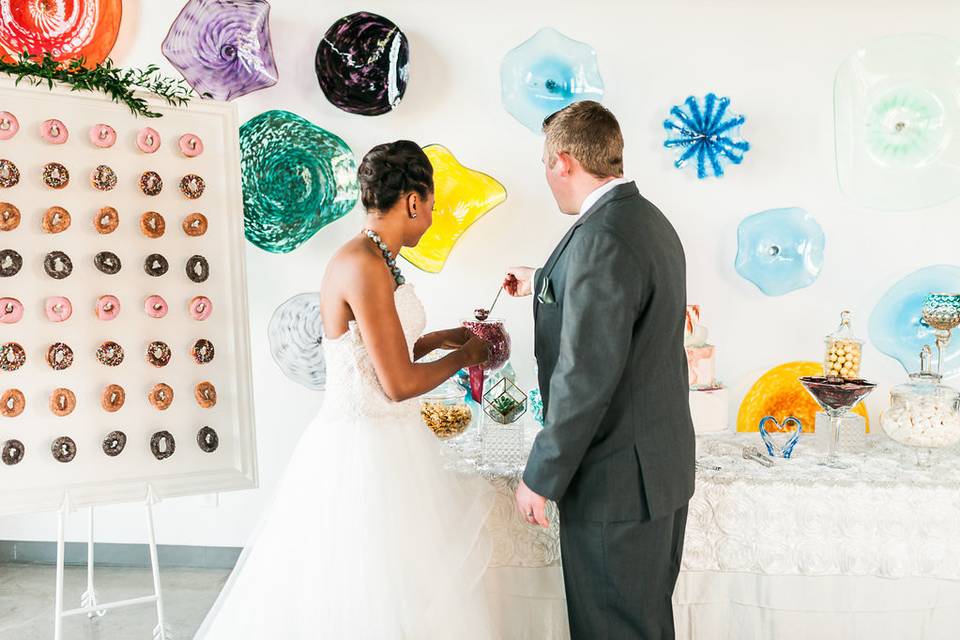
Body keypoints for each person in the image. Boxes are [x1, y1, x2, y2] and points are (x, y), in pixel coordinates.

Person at [195, 140, 497, 639]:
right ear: (414, 201)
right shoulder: (364, 264)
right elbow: (397, 384)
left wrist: (436, 340)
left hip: (388, 442)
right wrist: (465, 357)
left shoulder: (376, 257)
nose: (432, 218)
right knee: (370, 591)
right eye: (433, 206)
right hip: (365, 454)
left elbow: (373, 354)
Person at [506, 101, 696, 639]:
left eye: (545, 162)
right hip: (655, 471)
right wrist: (544, 279)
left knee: (613, 630)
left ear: (563, 161)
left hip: (617, 480)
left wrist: (540, 476)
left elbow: (584, 379)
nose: (546, 175)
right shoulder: (643, 218)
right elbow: (620, 303)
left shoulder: (601, 237)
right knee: (641, 624)